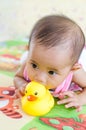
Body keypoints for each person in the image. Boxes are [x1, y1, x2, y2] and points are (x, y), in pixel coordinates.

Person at [14, 15, 86, 112]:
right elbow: (17, 77)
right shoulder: (28, 62)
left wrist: (80, 99)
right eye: (34, 66)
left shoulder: (74, 72)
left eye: (52, 72)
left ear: (72, 68)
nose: (39, 78)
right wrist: (22, 85)